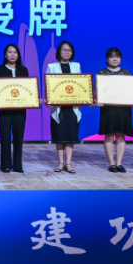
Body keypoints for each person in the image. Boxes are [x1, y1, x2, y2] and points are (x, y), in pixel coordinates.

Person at [0, 43, 29, 173]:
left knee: (19, 137)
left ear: (18, 55)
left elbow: (27, 89)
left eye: (15, 52)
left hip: (20, 110)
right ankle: (6, 164)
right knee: (5, 137)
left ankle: (18, 165)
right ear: (5, 55)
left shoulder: (23, 70)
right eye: (10, 52)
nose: (12, 55)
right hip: (4, 110)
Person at [96, 47, 133, 173]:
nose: (114, 59)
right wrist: (98, 99)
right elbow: (97, 90)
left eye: (117, 56)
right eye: (112, 57)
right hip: (108, 109)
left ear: (121, 58)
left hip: (123, 109)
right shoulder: (102, 73)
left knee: (121, 135)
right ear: (107, 59)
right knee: (109, 135)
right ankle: (111, 163)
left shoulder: (126, 73)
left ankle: (119, 163)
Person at [46, 40, 82, 173]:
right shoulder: (51, 67)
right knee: (60, 136)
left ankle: (69, 163)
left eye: (69, 50)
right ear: (59, 52)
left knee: (70, 136)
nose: (67, 52)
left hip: (73, 108)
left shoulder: (77, 66)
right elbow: (49, 86)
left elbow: (80, 86)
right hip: (58, 108)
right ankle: (60, 163)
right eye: (64, 49)